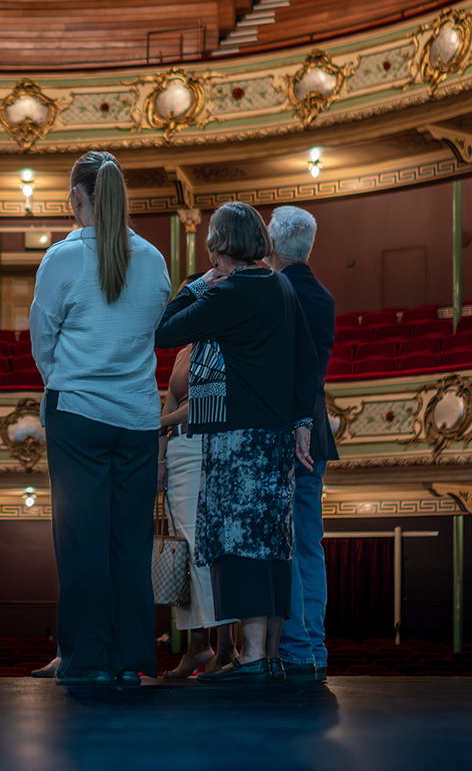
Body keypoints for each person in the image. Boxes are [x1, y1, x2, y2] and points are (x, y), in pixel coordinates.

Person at [155, 202, 318, 684]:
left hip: (236, 439)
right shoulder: (280, 285)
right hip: (274, 440)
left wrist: (194, 286)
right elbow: (307, 360)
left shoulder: (228, 293)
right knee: (271, 544)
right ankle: (266, 656)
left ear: (219, 246)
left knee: (238, 543)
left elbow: (163, 332)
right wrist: (302, 421)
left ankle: (248, 658)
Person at [30, 150, 172, 686]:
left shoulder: (62, 259)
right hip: (136, 417)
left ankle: (86, 660)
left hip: (79, 414)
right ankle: (131, 661)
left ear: (76, 198)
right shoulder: (154, 260)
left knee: (81, 542)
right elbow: (150, 331)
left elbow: (44, 341)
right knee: (129, 543)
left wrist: (65, 377)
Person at [267, 206, 337, 682]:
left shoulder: (276, 291)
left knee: (286, 545)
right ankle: (314, 645)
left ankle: (294, 647)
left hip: (286, 433)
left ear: (272, 245)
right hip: (317, 429)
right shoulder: (323, 296)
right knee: (309, 544)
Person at [157, 279, 238, 678]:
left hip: (208, 449)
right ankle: (197, 646)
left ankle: (225, 647)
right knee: (184, 554)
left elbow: (203, 407)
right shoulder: (185, 350)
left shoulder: (223, 345)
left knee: (208, 550)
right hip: (179, 453)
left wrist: (160, 422)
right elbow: (172, 401)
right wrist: (160, 459)